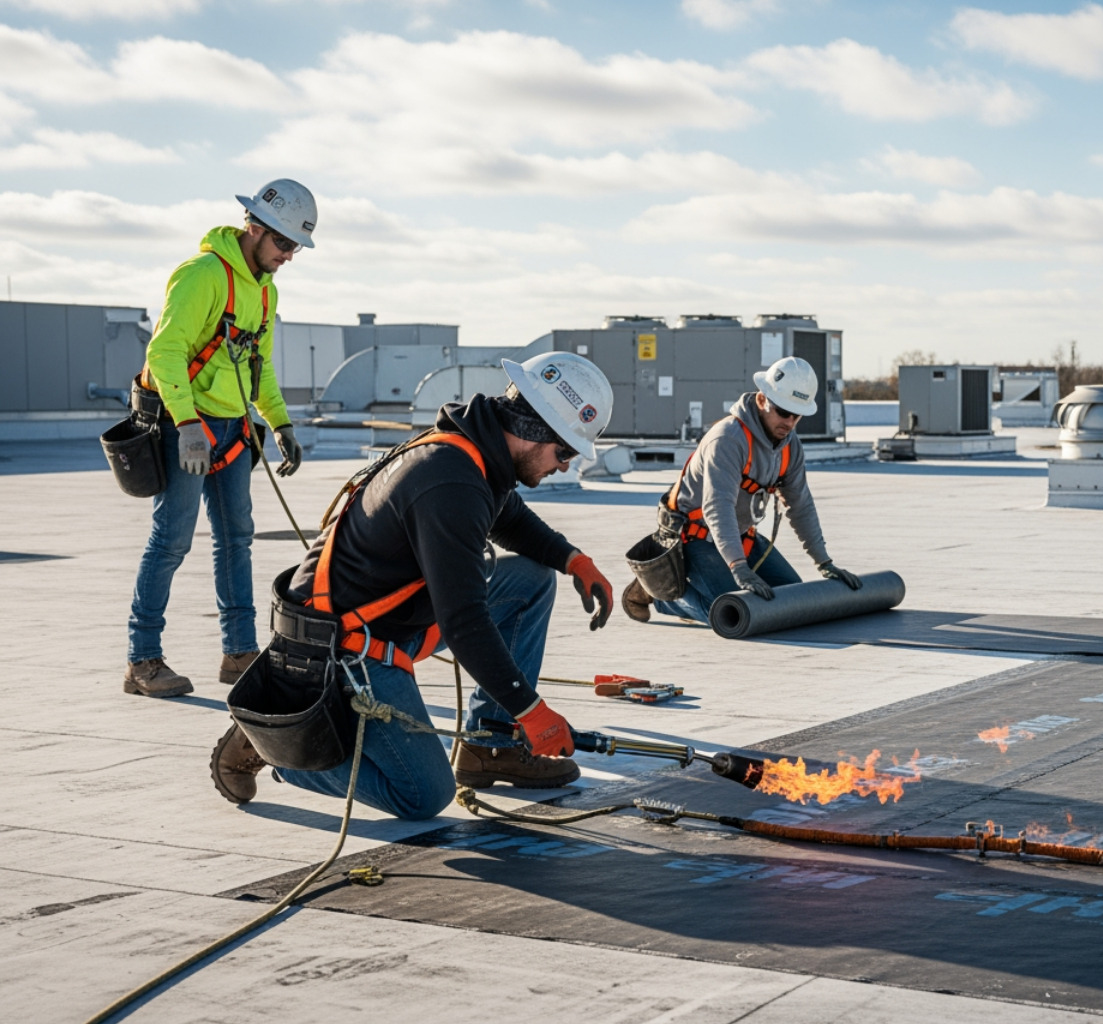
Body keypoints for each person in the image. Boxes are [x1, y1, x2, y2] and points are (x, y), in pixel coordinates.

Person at [210, 353, 617, 819]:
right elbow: (464, 622)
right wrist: (531, 710)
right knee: (422, 795)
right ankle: (279, 747)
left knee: (530, 580)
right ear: (532, 430)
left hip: (385, 620)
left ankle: (491, 747)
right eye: (564, 452)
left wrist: (572, 559)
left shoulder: (475, 455)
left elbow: (506, 515)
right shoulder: (450, 480)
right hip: (341, 646)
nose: (564, 466)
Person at [124, 179, 312, 698]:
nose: (289, 256)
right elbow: (164, 354)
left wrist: (280, 423)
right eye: (284, 244)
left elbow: (260, 367)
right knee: (171, 541)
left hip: (231, 431)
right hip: (183, 425)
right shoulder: (202, 275)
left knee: (237, 542)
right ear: (255, 228)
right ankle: (142, 661)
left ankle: (239, 652)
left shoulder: (266, 292)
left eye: (296, 247)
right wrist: (185, 425)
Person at [622, 355, 861, 624]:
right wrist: (738, 566)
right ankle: (661, 595)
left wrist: (824, 562)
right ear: (762, 400)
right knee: (730, 609)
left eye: (797, 415)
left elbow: (800, 505)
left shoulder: (790, 447)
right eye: (783, 411)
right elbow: (718, 507)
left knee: (792, 597)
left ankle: (713, 577)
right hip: (694, 536)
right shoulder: (728, 439)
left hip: (740, 534)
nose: (790, 422)